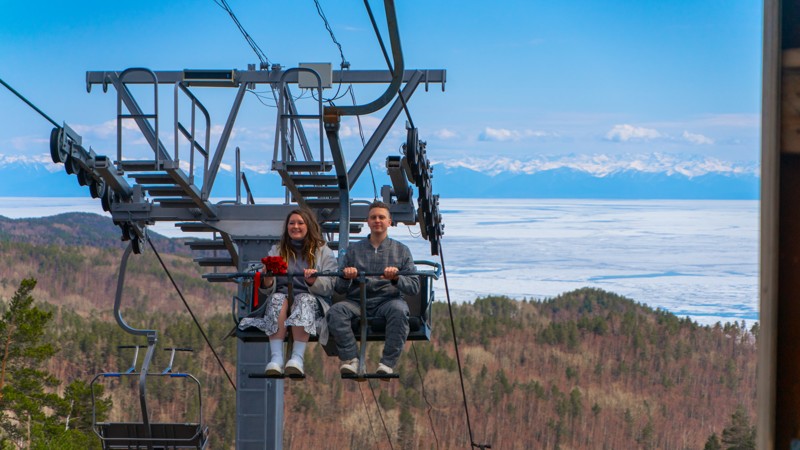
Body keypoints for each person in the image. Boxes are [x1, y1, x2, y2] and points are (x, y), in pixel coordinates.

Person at [238, 208, 337, 376]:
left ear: (309, 226)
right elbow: (268, 288)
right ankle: (276, 358)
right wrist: (268, 278)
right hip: (283, 299)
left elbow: (331, 284)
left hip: (312, 301)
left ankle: (297, 357)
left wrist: (313, 281)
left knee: (303, 299)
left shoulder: (322, 251)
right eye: (292, 223)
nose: (295, 227)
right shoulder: (277, 251)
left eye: (300, 223)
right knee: (277, 298)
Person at [328, 201, 420, 377]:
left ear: (389, 222)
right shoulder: (354, 250)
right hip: (358, 301)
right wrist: (347, 277)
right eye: (373, 217)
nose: (377, 220)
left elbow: (414, 286)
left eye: (381, 217)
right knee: (336, 312)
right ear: (367, 222)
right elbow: (339, 287)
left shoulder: (401, 251)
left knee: (400, 311)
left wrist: (397, 278)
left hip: (388, 301)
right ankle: (352, 360)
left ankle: (387, 363)